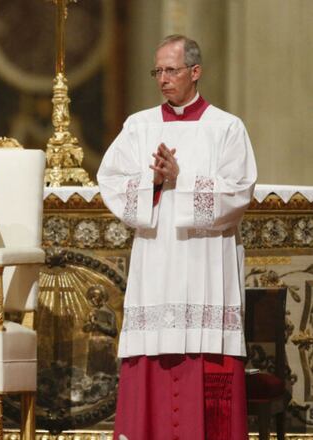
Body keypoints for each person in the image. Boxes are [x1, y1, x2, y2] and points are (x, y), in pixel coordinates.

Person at [97, 35, 257, 440]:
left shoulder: (226, 128)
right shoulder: (139, 126)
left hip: (206, 261)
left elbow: (239, 191)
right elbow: (110, 180)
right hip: (157, 257)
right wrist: (151, 179)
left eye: (171, 70)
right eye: (158, 71)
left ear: (195, 72)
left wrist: (181, 181)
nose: (163, 79)